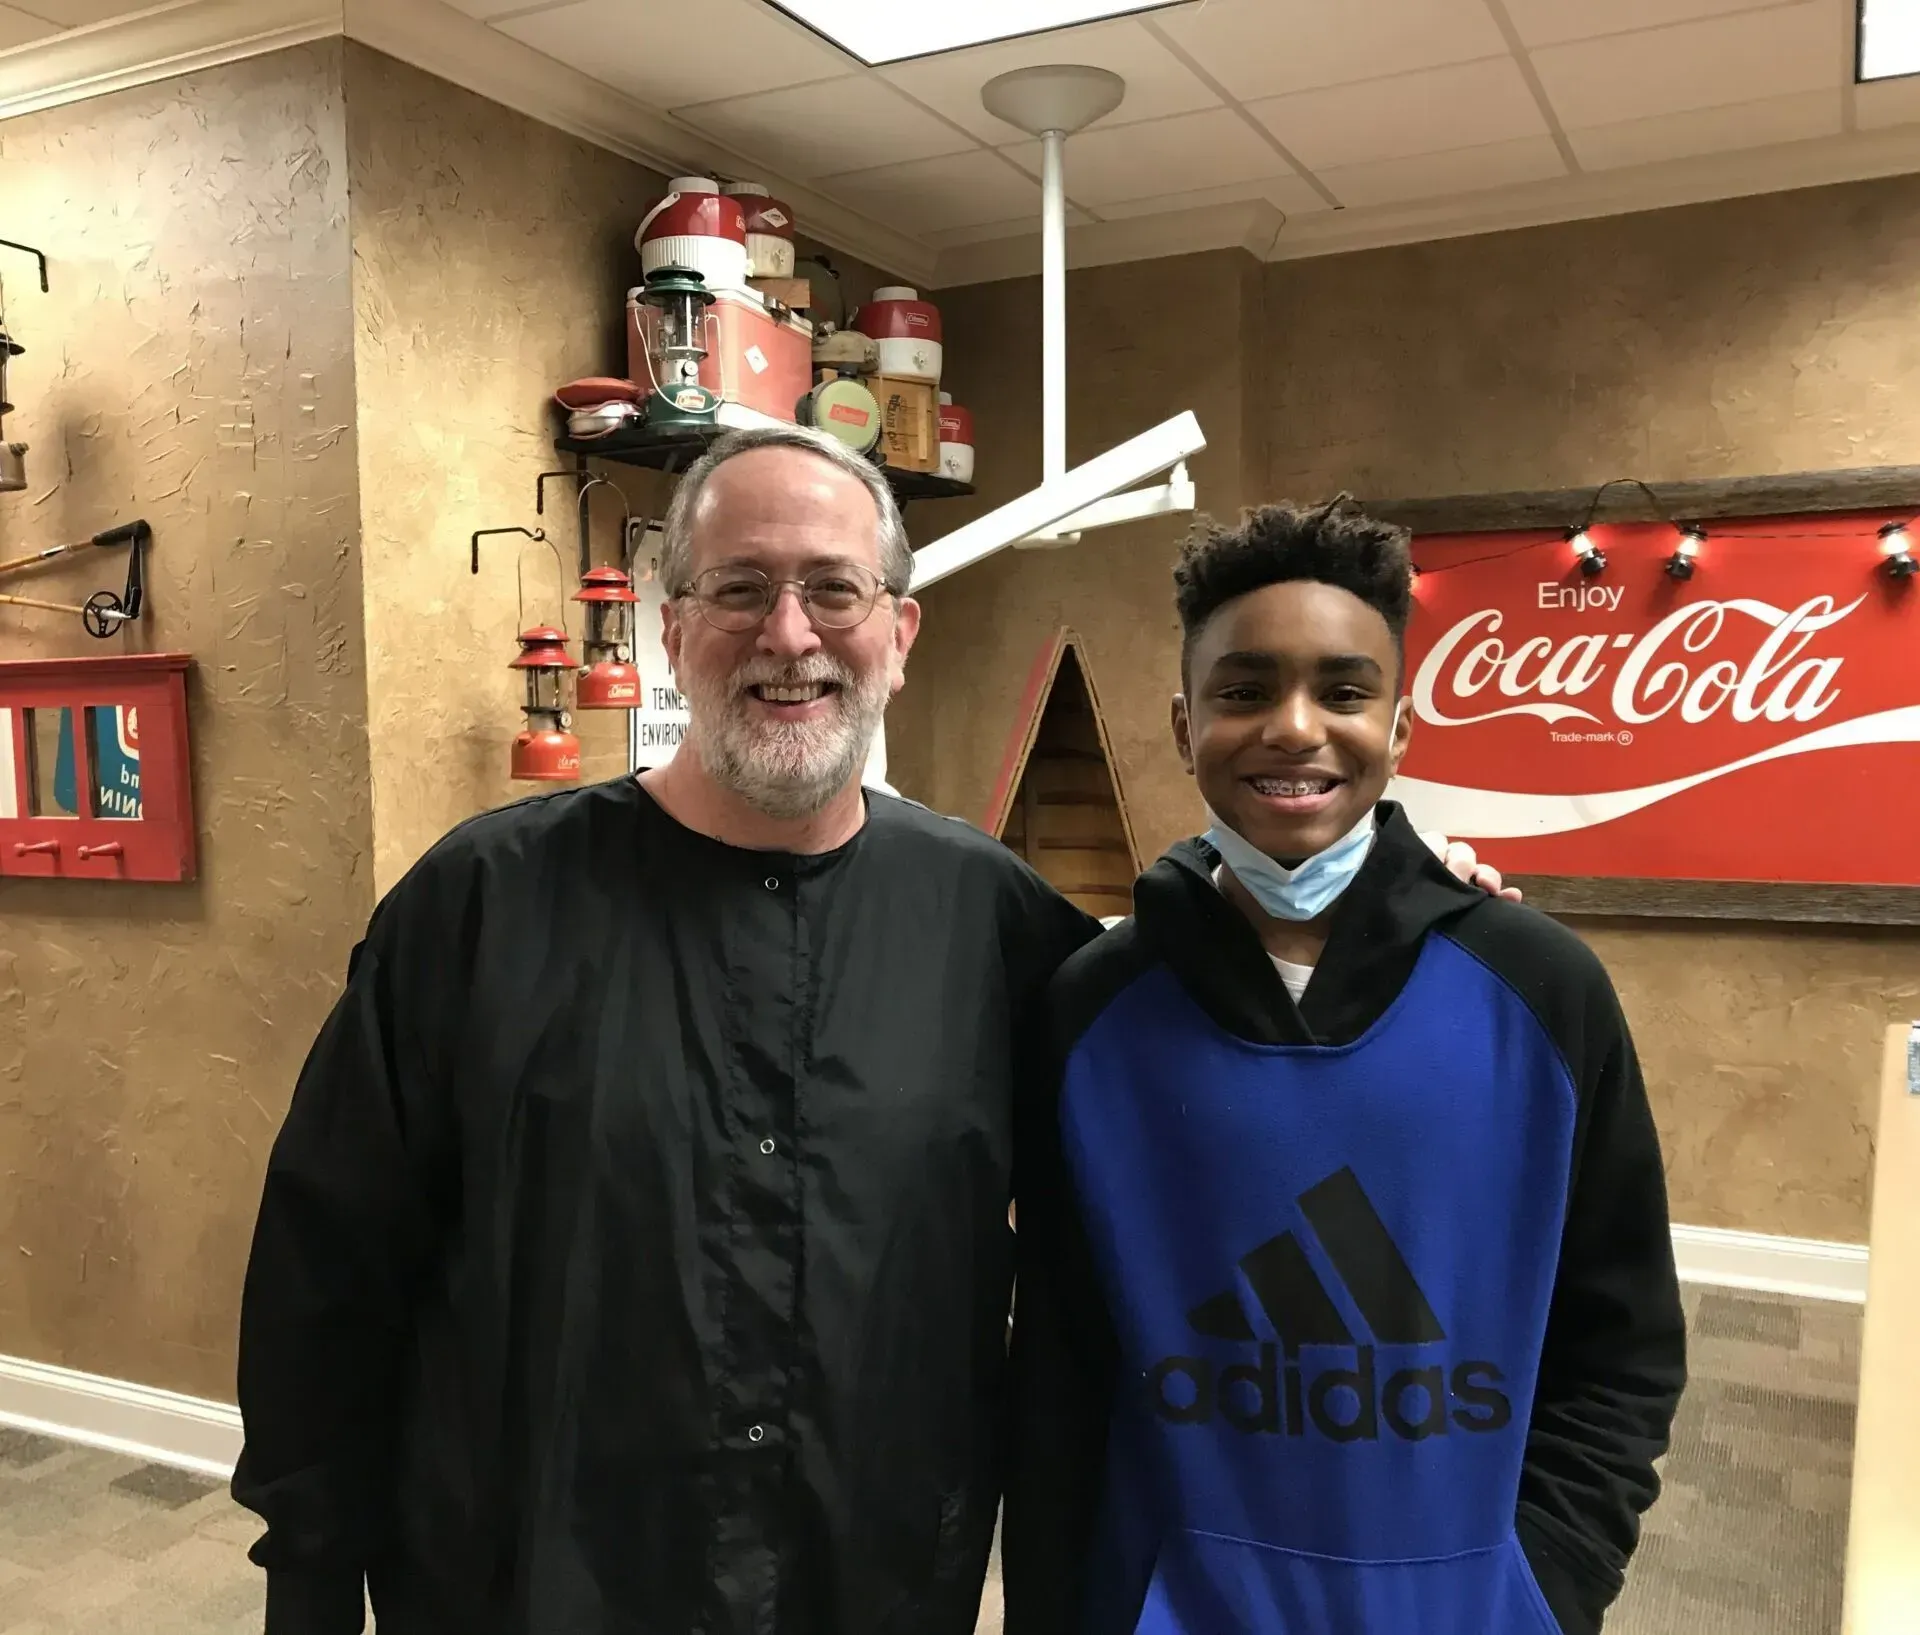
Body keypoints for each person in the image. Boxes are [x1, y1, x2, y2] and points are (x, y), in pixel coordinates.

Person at [230, 429, 1520, 1634]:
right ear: (674, 630)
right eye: (739, 590)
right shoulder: (479, 910)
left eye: (833, 592)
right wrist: (309, 1575)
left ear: (899, 634)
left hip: (873, 1580)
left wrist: (1389, 895)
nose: (789, 636)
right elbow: (329, 1270)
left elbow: (1233, 1050)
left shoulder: (1001, 927)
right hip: (533, 1582)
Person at [1002, 498, 1687, 1635]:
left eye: (1345, 690)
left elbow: (1620, 1342)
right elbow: (1064, 1375)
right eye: (1244, 690)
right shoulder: (1092, 1012)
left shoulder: (1544, 992)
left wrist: (1545, 1582)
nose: (1295, 727)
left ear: (1401, 728)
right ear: (1182, 725)